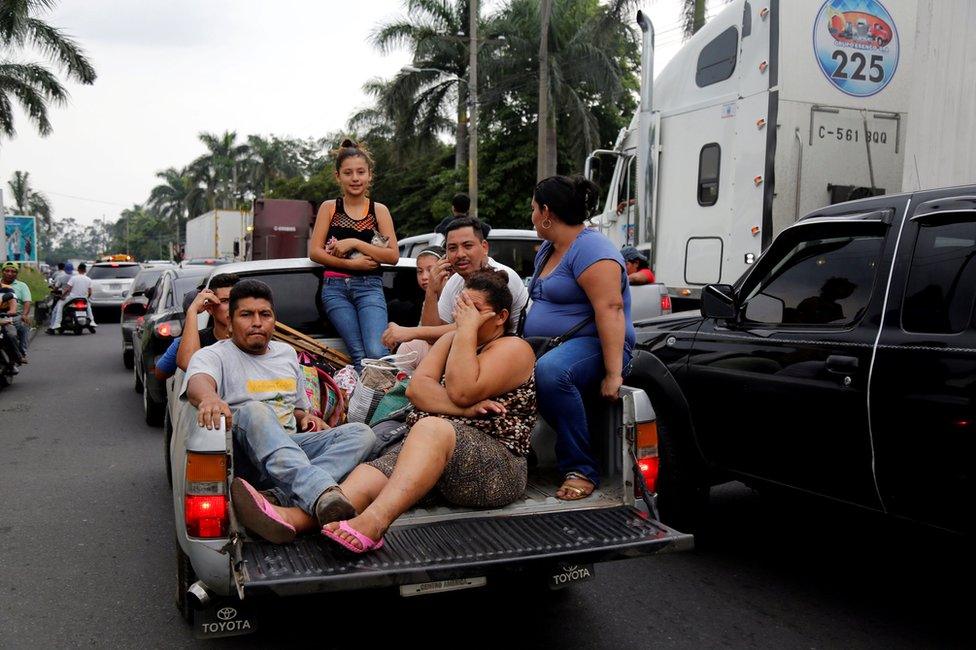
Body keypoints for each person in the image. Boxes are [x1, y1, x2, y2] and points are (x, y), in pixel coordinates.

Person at [248, 270, 537, 551]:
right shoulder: (454, 338)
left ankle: (374, 524)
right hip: (435, 455)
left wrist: (466, 334)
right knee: (368, 474)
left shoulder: (513, 348)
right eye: (461, 306)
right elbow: (417, 390)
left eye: (473, 309)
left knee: (431, 428)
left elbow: (462, 389)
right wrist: (467, 410)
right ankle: (293, 520)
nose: (463, 315)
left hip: (496, 467)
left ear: (500, 317)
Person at [182, 279, 376, 544]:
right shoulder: (214, 355)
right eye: (246, 314)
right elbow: (198, 382)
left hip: (290, 447)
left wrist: (304, 417)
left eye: (265, 314)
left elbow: (294, 409)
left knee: (361, 433)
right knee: (255, 411)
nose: (257, 322)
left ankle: (277, 500)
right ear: (229, 322)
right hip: (249, 455)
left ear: (274, 320)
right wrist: (209, 398)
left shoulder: (286, 354)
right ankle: (320, 493)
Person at [523, 175, 635, 501]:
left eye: (533, 209)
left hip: (597, 345)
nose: (531, 217)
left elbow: (611, 309)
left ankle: (581, 467)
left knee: (552, 371)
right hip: (550, 345)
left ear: (547, 212)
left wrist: (614, 374)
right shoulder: (548, 249)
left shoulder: (592, 249)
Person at [381, 217, 528, 361]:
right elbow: (433, 337)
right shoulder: (455, 281)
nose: (460, 254)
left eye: (468, 246)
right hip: (468, 349)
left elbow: (474, 327)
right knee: (412, 347)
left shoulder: (500, 277)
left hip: (503, 352)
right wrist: (432, 289)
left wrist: (410, 332)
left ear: (484, 247)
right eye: (452, 248)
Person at [309, 139, 399, 370]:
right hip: (334, 289)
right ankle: (367, 405)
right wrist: (352, 265)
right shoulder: (329, 208)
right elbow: (315, 252)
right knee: (359, 352)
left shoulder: (379, 210)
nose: (355, 178)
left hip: (370, 287)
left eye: (361, 172)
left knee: (377, 351)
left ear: (370, 175)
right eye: (348, 173)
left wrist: (354, 242)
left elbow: (392, 256)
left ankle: (373, 402)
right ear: (338, 176)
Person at [154, 273, 239, 380]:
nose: (232, 307)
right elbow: (161, 373)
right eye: (225, 301)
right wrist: (192, 310)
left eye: (236, 300)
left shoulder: (255, 340)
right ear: (209, 308)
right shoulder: (187, 342)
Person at [383, 244, 446, 371]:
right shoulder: (428, 299)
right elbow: (423, 332)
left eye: (431, 270)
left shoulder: (455, 293)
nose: (424, 277)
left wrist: (406, 333)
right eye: (419, 271)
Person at [47, 262, 96, 333]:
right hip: (83, 298)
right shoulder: (88, 279)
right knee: (89, 308)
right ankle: (92, 321)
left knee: (58, 307)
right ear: (85, 270)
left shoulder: (65, 278)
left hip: (71, 298)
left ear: (78, 269)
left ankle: (55, 325)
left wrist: (62, 296)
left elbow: (67, 289)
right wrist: (87, 298)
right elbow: (90, 292)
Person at [1, 263, 32, 359]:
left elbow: (26, 302)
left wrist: (24, 315)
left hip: (13, 315)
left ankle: (21, 353)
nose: (10, 274)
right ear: (2, 272)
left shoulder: (19, 287)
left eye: (13, 271)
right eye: (7, 271)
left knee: (22, 325)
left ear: (17, 273)